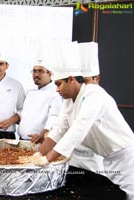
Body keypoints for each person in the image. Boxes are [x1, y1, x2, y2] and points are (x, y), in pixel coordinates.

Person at [19, 41, 134, 199]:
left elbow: (78, 129)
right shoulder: (68, 100)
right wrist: (37, 155)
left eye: (59, 84)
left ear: (71, 79)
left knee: (128, 195)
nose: (57, 89)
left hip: (125, 158)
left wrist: (47, 159)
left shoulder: (94, 94)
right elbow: (58, 130)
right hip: (108, 158)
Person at [68, 41, 104, 173]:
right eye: (80, 81)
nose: (82, 86)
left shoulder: (97, 96)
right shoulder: (70, 97)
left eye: (86, 81)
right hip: (73, 155)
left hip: (93, 157)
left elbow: (80, 128)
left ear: (97, 79)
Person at [18, 57, 62, 143]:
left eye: (40, 71)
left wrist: (43, 134)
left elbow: (54, 116)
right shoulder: (30, 91)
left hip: (40, 142)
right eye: (34, 71)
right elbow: (24, 114)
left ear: (50, 73)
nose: (36, 74)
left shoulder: (55, 92)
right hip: (21, 140)